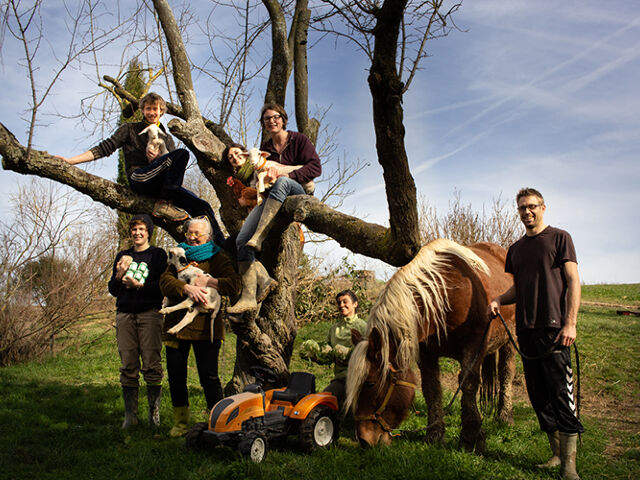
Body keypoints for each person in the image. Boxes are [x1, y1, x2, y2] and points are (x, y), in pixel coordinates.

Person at [487, 187, 583, 480]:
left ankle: (569, 466)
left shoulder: (559, 238)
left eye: (532, 206)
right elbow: (520, 287)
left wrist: (570, 323)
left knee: (561, 396)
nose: (527, 212)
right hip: (526, 332)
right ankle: (555, 455)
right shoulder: (516, 250)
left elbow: (573, 281)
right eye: (521, 208)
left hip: (555, 330)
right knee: (539, 397)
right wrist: (499, 300)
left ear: (543, 207)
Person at [56, 92, 225, 245]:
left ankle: (221, 245)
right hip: (140, 177)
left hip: (165, 187)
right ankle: (164, 204)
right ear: (142, 110)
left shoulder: (167, 138)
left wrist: (160, 159)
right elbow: (104, 148)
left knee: (201, 204)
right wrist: (71, 161)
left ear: (161, 112)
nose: (152, 112)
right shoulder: (129, 129)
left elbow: (175, 167)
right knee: (177, 157)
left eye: (156, 109)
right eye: (149, 108)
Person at [226, 104, 322, 314]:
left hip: (296, 191)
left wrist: (286, 173)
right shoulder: (266, 147)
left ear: (283, 119)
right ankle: (250, 296)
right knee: (241, 240)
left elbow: (316, 167)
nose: (272, 121)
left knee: (282, 182)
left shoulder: (298, 140)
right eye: (267, 119)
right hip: (271, 199)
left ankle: (260, 234)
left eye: (275, 117)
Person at [159, 216, 241, 437]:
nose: (192, 237)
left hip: (206, 328)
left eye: (197, 234)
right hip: (176, 326)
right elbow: (165, 282)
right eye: (190, 233)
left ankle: (219, 421)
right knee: (176, 375)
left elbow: (234, 284)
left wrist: (209, 282)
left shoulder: (218, 257)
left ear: (208, 237)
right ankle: (180, 423)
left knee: (209, 376)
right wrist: (186, 289)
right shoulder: (177, 254)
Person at [107, 214, 167, 428]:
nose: (137, 233)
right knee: (128, 364)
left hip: (149, 314)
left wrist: (139, 285)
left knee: (151, 363)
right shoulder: (122, 255)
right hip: (124, 315)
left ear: (148, 231)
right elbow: (113, 290)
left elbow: (162, 286)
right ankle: (130, 417)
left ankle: (154, 415)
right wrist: (118, 275)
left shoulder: (157, 255)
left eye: (141, 229)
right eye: (134, 229)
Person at [300, 290, 367, 408]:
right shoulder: (334, 328)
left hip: (360, 380)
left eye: (345, 302)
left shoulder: (363, 326)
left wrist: (349, 356)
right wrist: (316, 355)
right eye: (339, 303)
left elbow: (369, 354)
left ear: (355, 304)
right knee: (321, 403)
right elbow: (328, 353)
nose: (341, 305)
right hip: (341, 379)